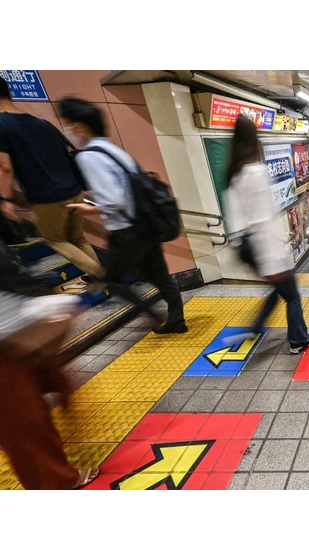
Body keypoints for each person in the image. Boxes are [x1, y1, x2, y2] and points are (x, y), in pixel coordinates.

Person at [56, 97, 188, 335]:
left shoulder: (89, 156)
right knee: (161, 277)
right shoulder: (113, 150)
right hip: (148, 224)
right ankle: (176, 319)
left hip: (127, 230)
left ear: (81, 126)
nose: (67, 129)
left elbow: (114, 200)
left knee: (113, 280)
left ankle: (152, 314)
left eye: (67, 123)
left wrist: (90, 209)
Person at [223, 116, 309, 354]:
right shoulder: (257, 172)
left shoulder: (233, 176)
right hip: (266, 249)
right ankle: (298, 340)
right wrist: (278, 254)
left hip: (249, 250)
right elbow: (263, 219)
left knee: (279, 291)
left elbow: (236, 225)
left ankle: (255, 328)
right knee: (292, 297)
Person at [0, 77, 103, 282]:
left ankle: (104, 276)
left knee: (55, 239)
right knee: (77, 238)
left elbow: (4, 167)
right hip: (74, 191)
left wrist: (6, 200)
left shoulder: (1, 125)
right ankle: (97, 277)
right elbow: (68, 153)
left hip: (46, 198)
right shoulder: (43, 123)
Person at [0, 289, 100, 489]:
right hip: (10, 341)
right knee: (21, 422)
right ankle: (54, 481)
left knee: (32, 409)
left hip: (13, 339)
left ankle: (55, 468)